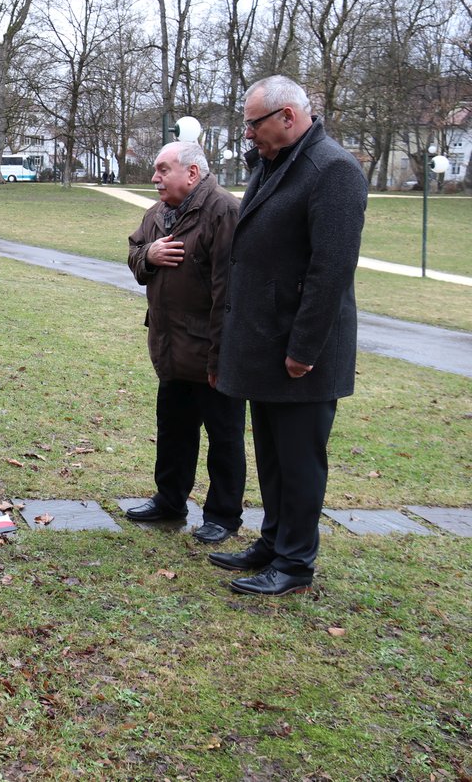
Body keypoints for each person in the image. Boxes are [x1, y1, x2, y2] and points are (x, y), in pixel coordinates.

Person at [211, 75, 367, 596]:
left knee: (300, 462)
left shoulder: (332, 171)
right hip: (266, 343)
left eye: (254, 122)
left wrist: (304, 349)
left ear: (288, 117)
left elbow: (330, 271)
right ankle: (273, 543)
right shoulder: (276, 163)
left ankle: (296, 563)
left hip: (302, 353)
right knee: (274, 457)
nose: (248, 132)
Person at [124, 142, 246, 544]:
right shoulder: (158, 214)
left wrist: (219, 358)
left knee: (224, 437)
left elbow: (230, 292)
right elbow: (135, 253)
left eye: (163, 170)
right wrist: (149, 255)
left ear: (191, 173)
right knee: (174, 430)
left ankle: (223, 516)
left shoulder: (223, 211)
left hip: (212, 353)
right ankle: (169, 500)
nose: (154, 178)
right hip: (170, 347)